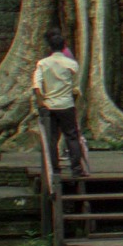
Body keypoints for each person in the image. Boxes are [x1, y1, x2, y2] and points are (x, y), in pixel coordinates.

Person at [33, 26, 90, 181]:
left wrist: (41, 103)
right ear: (64, 45)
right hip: (66, 105)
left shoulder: (42, 64)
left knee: (52, 138)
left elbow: (37, 86)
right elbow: (77, 88)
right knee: (72, 136)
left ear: (49, 47)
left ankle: (55, 168)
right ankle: (76, 168)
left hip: (50, 106)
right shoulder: (71, 64)